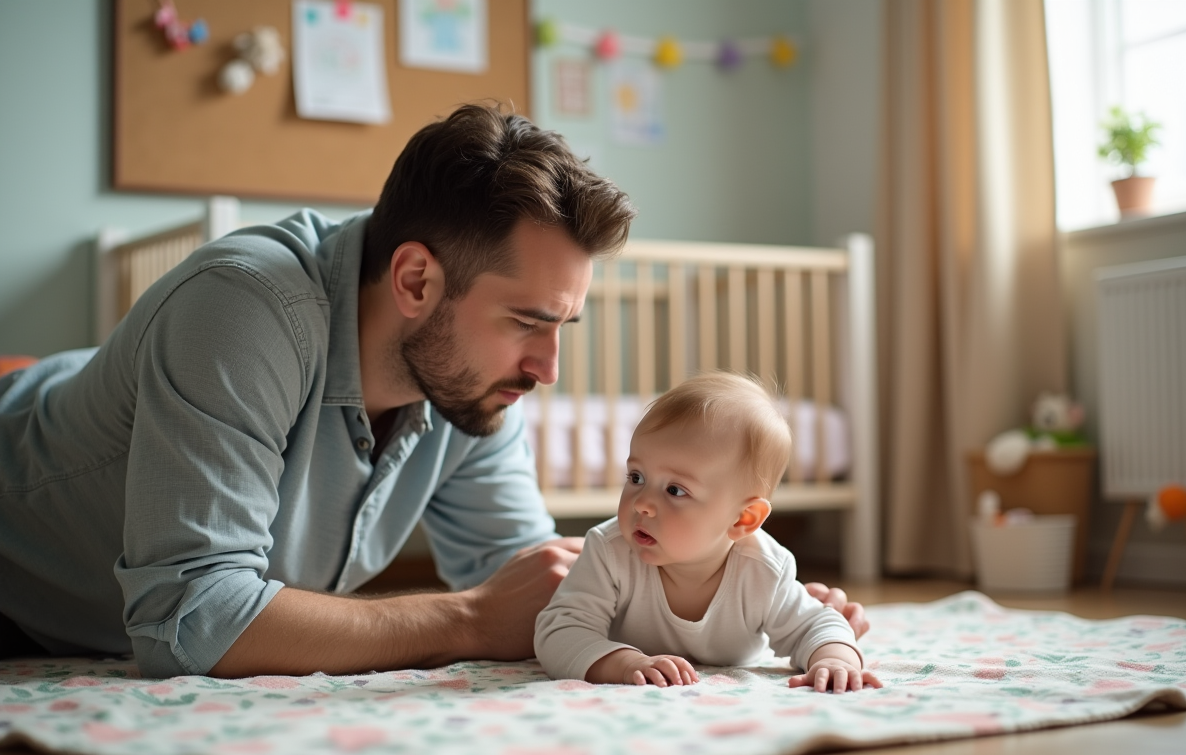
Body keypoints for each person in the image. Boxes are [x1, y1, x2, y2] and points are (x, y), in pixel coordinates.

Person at [0, 104, 867, 678]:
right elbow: (187, 618)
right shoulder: (243, 307)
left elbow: (532, 592)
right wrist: (463, 621)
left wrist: (736, 596)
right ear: (415, 280)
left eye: (563, 328)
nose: (548, 369)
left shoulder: (470, 387)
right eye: (527, 321)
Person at [535, 373, 881, 693]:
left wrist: (835, 660)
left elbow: (818, 625)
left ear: (743, 519)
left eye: (675, 490)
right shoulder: (610, 552)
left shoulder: (763, 569)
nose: (642, 504)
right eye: (636, 477)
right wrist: (625, 663)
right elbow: (559, 632)